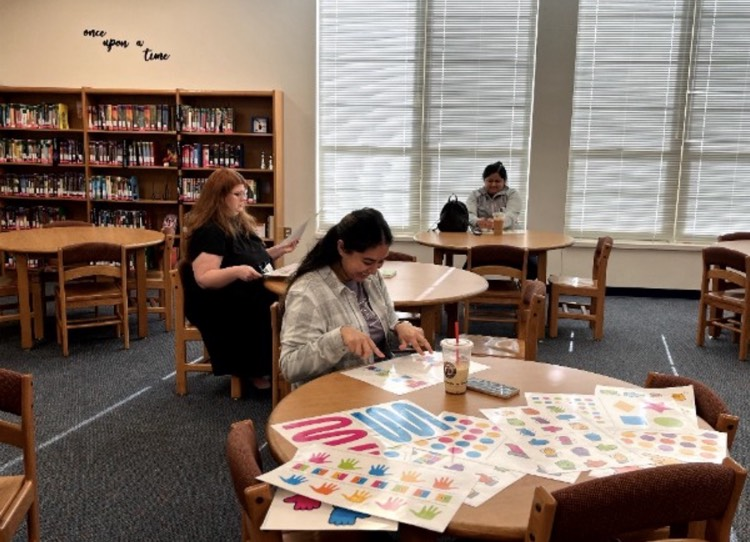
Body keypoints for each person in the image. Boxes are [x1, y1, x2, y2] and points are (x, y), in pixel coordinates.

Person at [280, 207, 432, 386]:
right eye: (367, 262)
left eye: (381, 262)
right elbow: (289, 367)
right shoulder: (307, 292)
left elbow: (384, 326)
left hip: (375, 383)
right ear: (342, 248)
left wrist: (400, 327)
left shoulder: (371, 277)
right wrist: (339, 338)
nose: (375, 270)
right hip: (331, 393)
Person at [182, 168, 298, 390]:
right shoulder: (210, 231)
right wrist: (237, 271)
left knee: (287, 297)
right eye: (237, 194)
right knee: (267, 305)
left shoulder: (238, 222)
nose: (243, 200)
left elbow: (251, 256)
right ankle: (255, 369)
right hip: (218, 300)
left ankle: (278, 362)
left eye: (244, 194)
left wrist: (279, 250)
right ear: (219, 197)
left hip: (241, 288)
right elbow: (205, 278)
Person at [466, 161, 522, 231]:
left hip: (509, 235)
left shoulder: (512, 194)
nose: (493, 184)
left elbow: (511, 215)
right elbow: (469, 214)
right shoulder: (475, 195)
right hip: (482, 235)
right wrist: (477, 221)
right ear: (484, 180)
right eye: (490, 181)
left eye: (497, 181)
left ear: (504, 181)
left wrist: (497, 223)